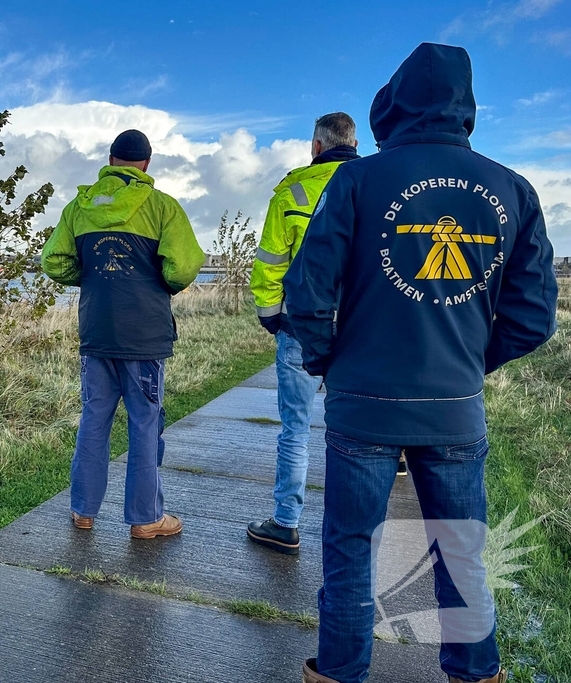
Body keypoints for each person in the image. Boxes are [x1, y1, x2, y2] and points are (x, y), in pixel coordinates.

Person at [284, 43, 558, 683]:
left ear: (394, 103)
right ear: (464, 106)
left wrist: (332, 362)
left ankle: (340, 672)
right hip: (454, 407)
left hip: (363, 403)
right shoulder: (513, 189)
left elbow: (306, 293)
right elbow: (533, 317)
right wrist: (469, 363)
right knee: (461, 552)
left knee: (351, 550)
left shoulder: (354, 180)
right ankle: (474, 671)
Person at [41, 129, 206, 539]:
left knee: (94, 419)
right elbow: (183, 268)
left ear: (110, 159)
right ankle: (146, 519)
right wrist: (157, 280)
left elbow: (53, 262)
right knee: (145, 423)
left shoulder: (79, 207)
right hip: (144, 334)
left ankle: (83, 510)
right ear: (147, 164)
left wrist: (95, 277)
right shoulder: (162, 207)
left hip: (96, 330)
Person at [246, 113, 360, 554]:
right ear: (352, 142)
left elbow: (271, 261)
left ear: (316, 146)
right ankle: (350, 531)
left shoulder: (292, 190)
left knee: (295, 429)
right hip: (360, 330)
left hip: (301, 327)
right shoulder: (375, 184)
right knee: (355, 434)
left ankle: (286, 522)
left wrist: (270, 314)